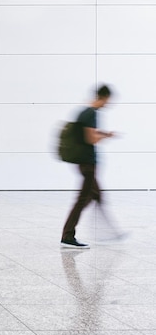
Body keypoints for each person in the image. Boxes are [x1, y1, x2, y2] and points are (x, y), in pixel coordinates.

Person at [61, 85, 115, 249]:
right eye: (108, 100)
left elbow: (88, 134)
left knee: (97, 196)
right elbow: (91, 139)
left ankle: (107, 232)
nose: (108, 104)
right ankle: (68, 235)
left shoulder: (85, 112)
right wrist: (103, 138)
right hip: (88, 164)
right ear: (103, 98)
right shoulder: (91, 114)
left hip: (84, 163)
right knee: (83, 199)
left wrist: (104, 134)